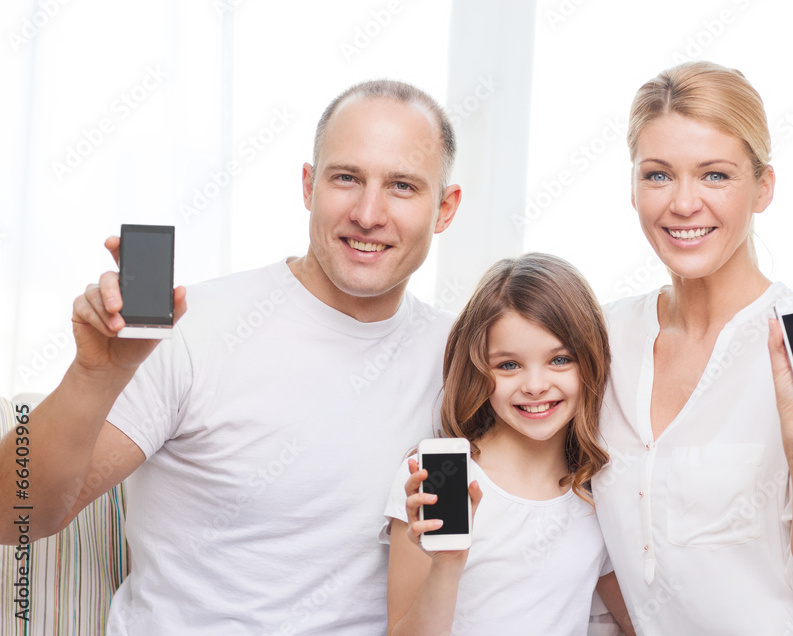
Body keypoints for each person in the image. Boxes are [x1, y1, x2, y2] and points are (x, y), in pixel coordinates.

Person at [0, 79, 462, 634]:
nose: (368, 213)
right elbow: (15, 515)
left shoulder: (464, 360)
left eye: (403, 186)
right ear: (309, 185)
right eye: (346, 178)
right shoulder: (196, 328)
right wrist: (93, 375)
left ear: (445, 208)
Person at [593, 61, 793, 634]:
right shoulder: (604, 339)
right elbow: (589, 536)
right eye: (658, 175)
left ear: (763, 187)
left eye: (715, 175)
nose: (684, 204)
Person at [382, 253, 634, 636]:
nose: (534, 385)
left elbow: (641, 618)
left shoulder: (595, 491)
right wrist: (447, 565)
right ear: (479, 370)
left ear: (591, 362)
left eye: (560, 360)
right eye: (509, 365)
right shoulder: (441, 479)